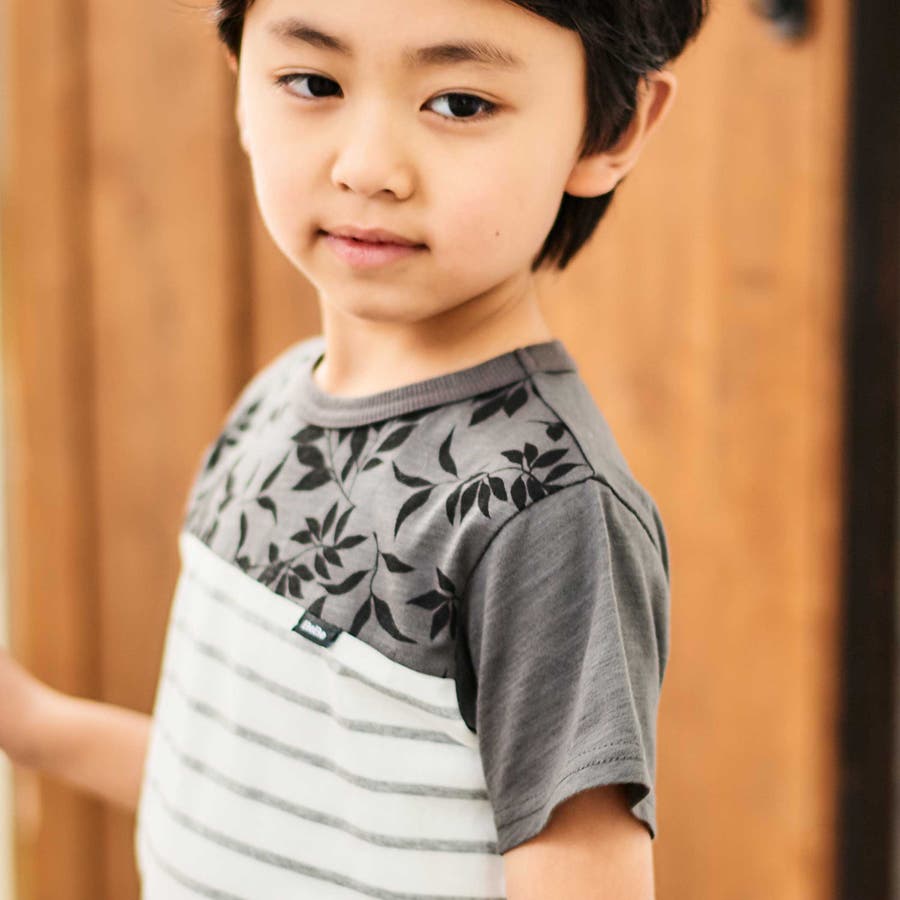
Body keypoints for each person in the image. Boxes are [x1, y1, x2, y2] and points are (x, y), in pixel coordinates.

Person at [0, 0, 709, 895]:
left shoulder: (543, 511)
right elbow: (245, 800)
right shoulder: (273, 408)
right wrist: (32, 724)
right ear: (240, 83)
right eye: (312, 82)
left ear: (612, 128)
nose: (367, 167)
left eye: (459, 103)